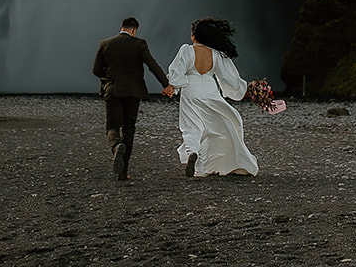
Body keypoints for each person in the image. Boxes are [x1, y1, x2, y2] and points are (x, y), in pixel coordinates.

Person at [167, 17, 258, 177]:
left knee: (191, 127)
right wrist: (244, 89)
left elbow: (178, 70)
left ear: (195, 36)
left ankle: (192, 153)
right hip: (210, 90)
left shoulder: (187, 50)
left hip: (190, 89)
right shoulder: (216, 54)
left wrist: (173, 86)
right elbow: (229, 78)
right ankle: (221, 160)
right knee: (217, 126)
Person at [92, 17, 174, 180]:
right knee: (129, 127)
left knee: (112, 127)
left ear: (121, 27)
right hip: (133, 92)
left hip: (113, 90)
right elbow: (152, 65)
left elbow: (96, 70)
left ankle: (116, 146)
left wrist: (109, 78)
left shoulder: (105, 43)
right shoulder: (139, 44)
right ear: (134, 30)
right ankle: (123, 173)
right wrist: (166, 84)